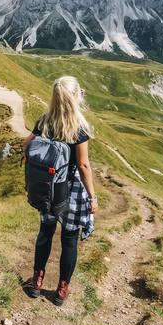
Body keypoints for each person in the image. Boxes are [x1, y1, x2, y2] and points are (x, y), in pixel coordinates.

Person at [21, 76, 97, 307]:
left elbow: (26, 146)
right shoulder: (79, 126)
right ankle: (62, 289)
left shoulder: (45, 121)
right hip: (71, 189)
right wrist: (92, 197)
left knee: (45, 232)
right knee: (69, 238)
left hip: (49, 186)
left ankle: (37, 281)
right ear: (74, 97)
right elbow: (83, 166)